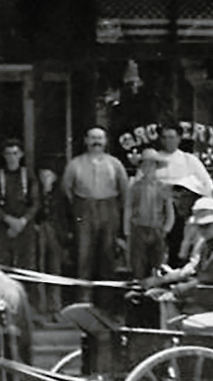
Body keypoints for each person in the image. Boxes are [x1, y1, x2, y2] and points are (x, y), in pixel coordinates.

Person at [139, 198, 213, 320]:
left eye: (206, 226)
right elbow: (195, 269)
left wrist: (179, 289)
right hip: (208, 292)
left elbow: (212, 277)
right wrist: (166, 279)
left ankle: (171, 329)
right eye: (199, 226)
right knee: (154, 294)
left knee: (165, 300)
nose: (202, 230)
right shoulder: (207, 243)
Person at [62, 127, 129, 299]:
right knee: (83, 255)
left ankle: (106, 301)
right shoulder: (75, 164)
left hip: (109, 209)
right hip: (84, 210)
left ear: (106, 141)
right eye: (92, 138)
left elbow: (124, 191)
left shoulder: (115, 164)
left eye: (100, 138)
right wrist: (80, 208)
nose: (96, 142)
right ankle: (83, 298)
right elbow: (67, 190)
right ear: (86, 140)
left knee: (107, 255)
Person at [0, 139, 39, 269]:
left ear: (21, 154)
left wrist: (23, 220)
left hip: (25, 226)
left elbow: (36, 202)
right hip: (3, 226)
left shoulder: (29, 176)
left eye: (15, 153)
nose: (12, 157)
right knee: (2, 265)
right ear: (4, 156)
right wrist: (9, 220)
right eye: (8, 154)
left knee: (27, 266)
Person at [124, 148, 175, 280]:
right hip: (139, 228)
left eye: (151, 164)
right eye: (145, 164)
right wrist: (127, 230)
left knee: (157, 262)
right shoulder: (134, 186)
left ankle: (154, 287)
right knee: (138, 262)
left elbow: (169, 209)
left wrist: (167, 228)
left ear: (156, 166)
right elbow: (128, 207)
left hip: (156, 228)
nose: (148, 168)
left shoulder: (163, 186)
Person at [35, 167, 69, 315]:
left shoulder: (59, 195)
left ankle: (55, 304)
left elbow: (64, 215)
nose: (45, 178)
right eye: (42, 175)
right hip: (40, 229)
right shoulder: (36, 192)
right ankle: (40, 304)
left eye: (48, 175)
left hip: (55, 231)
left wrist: (65, 234)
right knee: (40, 265)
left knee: (55, 267)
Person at [154, 123, 213, 197]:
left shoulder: (189, 159)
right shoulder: (153, 159)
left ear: (179, 138)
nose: (167, 141)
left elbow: (207, 184)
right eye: (164, 137)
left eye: (171, 137)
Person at [163, 174, 206, 268]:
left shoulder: (203, 224)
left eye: (185, 197)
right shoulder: (173, 223)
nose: (180, 202)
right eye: (176, 198)